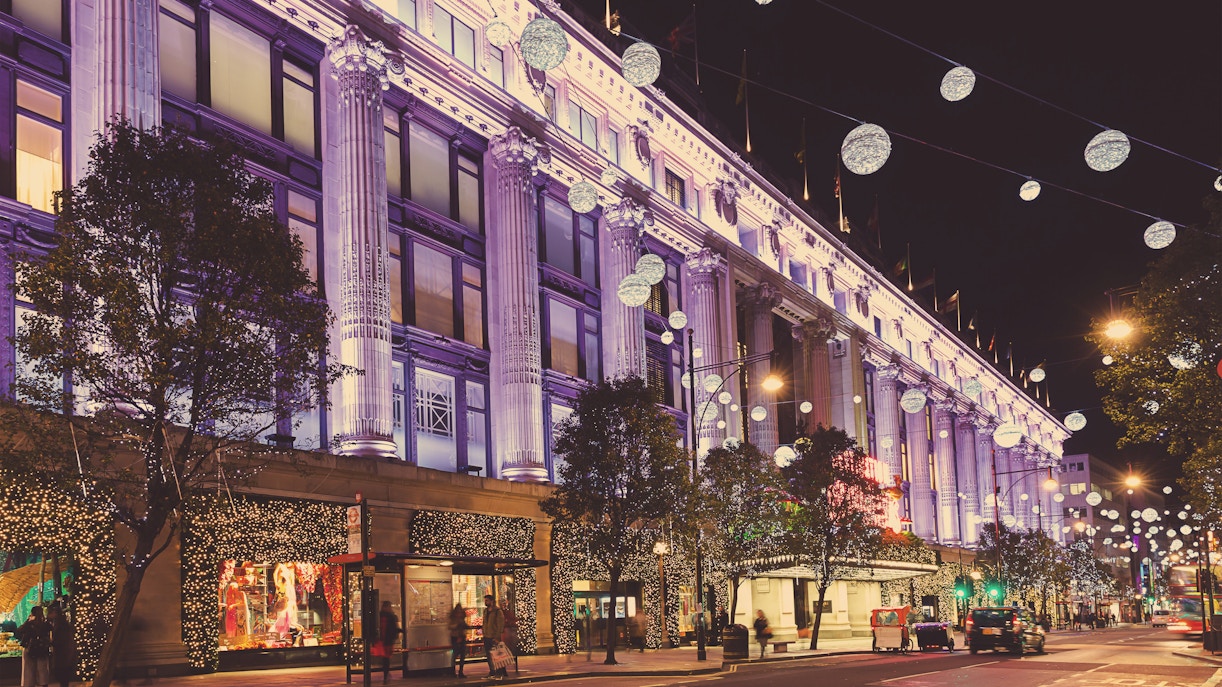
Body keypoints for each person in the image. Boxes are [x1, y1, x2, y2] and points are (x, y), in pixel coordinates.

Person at [18, 606, 51, 687]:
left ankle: (29, 684)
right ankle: (43, 684)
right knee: (42, 669)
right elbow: (50, 632)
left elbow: (20, 630)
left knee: (28, 670)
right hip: (42, 649)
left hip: (29, 648)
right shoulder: (45, 624)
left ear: (32, 613)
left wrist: (28, 620)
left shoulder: (29, 624)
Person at [47, 606, 74, 687]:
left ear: (55, 613)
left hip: (62, 653)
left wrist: (51, 642)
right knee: (63, 674)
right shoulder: (61, 623)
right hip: (63, 653)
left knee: (62, 673)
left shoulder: (61, 625)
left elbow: (60, 639)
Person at [482, 595, 507, 679]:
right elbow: (484, 623)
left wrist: (497, 636)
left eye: (487, 600)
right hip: (487, 636)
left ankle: (499, 672)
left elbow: (500, 624)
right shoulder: (485, 611)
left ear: (492, 601)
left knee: (497, 655)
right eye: (485, 600)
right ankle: (492, 671)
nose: (485, 602)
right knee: (489, 656)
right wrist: (484, 633)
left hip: (494, 636)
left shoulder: (497, 611)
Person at [375, 601, 401, 683]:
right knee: (386, 659)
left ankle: (385, 675)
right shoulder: (391, 616)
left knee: (385, 659)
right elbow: (393, 629)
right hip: (386, 641)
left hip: (383, 641)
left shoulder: (379, 616)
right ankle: (386, 675)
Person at [448, 603, 468, 677]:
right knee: (455, 654)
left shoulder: (462, 618)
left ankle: (460, 672)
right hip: (455, 637)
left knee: (462, 655)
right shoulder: (453, 618)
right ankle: (453, 672)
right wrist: (457, 625)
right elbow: (450, 626)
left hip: (461, 637)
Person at [501, 600, 520, 673]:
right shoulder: (503, 613)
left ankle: (504, 667)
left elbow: (512, 620)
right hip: (506, 632)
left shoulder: (506, 613)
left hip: (507, 632)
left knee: (507, 649)